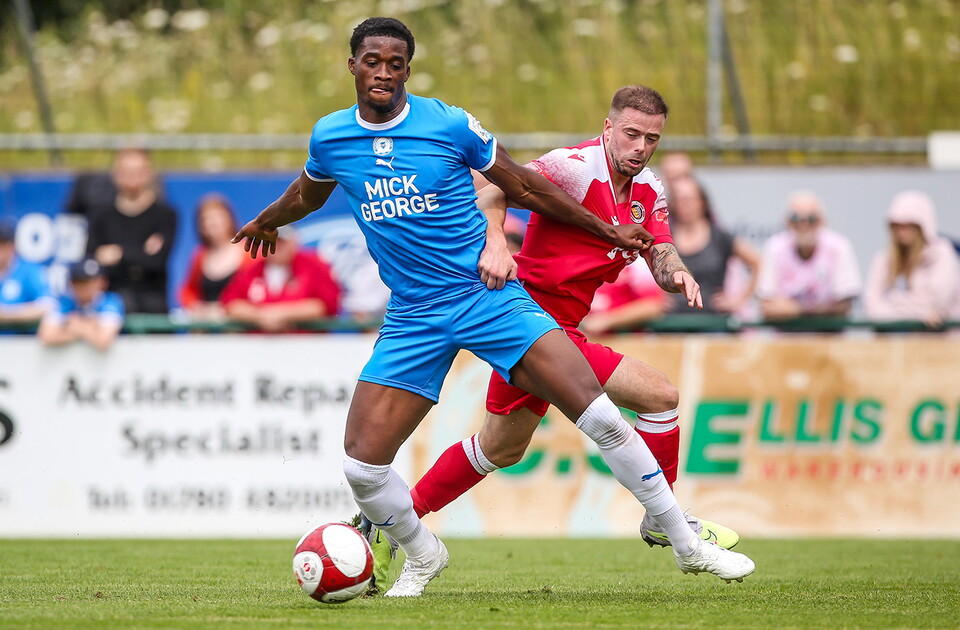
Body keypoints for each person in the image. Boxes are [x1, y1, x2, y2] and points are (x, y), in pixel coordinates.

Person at [231, 18, 754, 598]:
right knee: (363, 467)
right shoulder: (330, 137)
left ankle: (685, 546)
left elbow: (521, 186)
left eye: (395, 63)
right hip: (413, 313)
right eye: (372, 61)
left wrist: (619, 239)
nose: (383, 72)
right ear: (351, 65)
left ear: (408, 68)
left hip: (488, 298)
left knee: (601, 415)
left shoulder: (449, 124)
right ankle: (423, 553)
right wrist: (267, 220)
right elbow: (311, 189)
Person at [402, 87, 738, 563]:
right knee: (659, 396)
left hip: (558, 331)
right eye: (631, 134)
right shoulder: (573, 167)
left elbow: (659, 250)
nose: (640, 147)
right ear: (608, 127)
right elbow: (495, 189)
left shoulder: (649, 191)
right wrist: (496, 240)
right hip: (527, 322)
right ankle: (666, 521)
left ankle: (394, 519)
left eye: (651, 138)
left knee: (500, 448)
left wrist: (678, 272)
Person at [85, 148, 178, 314]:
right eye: (126, 171)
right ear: (115, 175)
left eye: (138, 171)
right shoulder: (101, 216)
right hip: (111, 308)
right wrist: (141, 253)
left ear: (149, 174)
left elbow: (157, 262)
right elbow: (92, 260)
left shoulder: (165, 215)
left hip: (153, 307)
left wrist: (119, 253)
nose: (132, 177)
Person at [757, 191, 861, 321]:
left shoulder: (838, 247)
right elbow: (766, 306)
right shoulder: (774, 247)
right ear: (787, 222)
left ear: (822, 221)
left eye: (811, 219)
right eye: (796, 219)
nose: (803, 225)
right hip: (785, 337)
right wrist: (821, 307)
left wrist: (799, 309)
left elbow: (845, 305)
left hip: (828, 336)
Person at [864, 190, 960, 327]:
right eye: (897, 225)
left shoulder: (942, 254)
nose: (902, 231)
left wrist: (894, 302)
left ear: (923, 226)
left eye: (908, 225)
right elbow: (872, 308)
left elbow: (936, 302)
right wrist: (919, 312)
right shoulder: (884, 259)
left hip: (941, 342)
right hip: (897, 343)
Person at [667, 176, 760, 316]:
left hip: (714, 321)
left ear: (702, 202)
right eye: (679, 199)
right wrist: (658, 297)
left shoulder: (719, 236)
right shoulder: (665, 237)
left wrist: (738, 301)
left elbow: (756, 262)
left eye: (689, 199)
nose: (684, 204)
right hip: (673, 321)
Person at [220, 225, 340, 332]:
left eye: (282, 242)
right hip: (258, 347)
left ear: (294, 243)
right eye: (272, 241)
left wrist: (282, 314)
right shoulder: (251, 270)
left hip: (304, 346)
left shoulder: (313, 266)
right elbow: (231, 303)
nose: (277, 247)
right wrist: (262, 316)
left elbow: (325, 305)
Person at [179, 193, 251, 321]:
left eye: (217, 217)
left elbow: (257, 290)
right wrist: (195, 307)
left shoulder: (249, 252)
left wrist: (230, 309)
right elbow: (188, 290)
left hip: (239, 324)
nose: (212, 223)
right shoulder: (200, 255)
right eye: (206, 219)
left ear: (229, 218)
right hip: (207, 325)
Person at [37, 257, 124, 351]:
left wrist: (77, 327)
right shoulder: (64, 302)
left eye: (87, 282)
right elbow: (46, 336)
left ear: (102, 282)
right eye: (78, 282)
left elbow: (103, 340)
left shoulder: (111, 301)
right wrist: (89, 328)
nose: (82, 287)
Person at [580, 262, 667, 334]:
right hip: (584, 340)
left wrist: (607, 320)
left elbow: (653, 306)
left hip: (626, 340)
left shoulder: (636, 263)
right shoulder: (580, 259)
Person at [0, 220, 54, 328]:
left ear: (12, 246)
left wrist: (7, 314)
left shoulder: (29, 271)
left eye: (2, 245)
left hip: (21, 341)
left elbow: (47, 307)